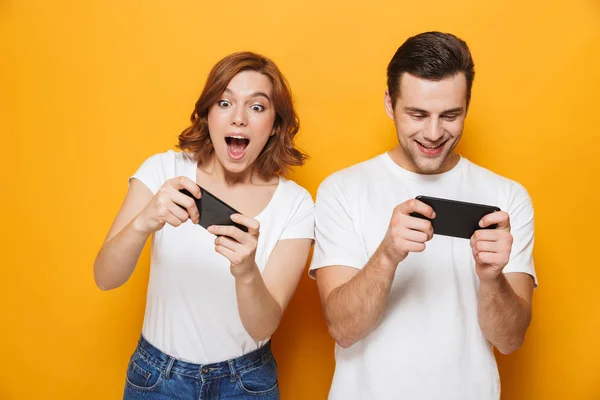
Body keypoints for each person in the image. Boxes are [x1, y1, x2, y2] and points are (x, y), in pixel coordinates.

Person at [310, 31, 537, 400]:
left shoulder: (507, 197)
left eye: (450, 115)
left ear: (467, 104)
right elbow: (343, 329)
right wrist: (387, 255)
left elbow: (510, 340)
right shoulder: (342, 190)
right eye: (417, 114)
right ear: (389, 104)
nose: (433, 133)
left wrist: (493, 278)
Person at [94, 51, 314, 400]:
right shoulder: (163, 170)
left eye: (257, 107)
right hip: (157, 379)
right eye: (225, 103)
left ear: (275, 124)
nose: (239, 118)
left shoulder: (297, 204)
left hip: (246, 384)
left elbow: (263, 326)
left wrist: (246, 272)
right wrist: (144, 221)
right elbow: (105, 278)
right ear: (208, 113)